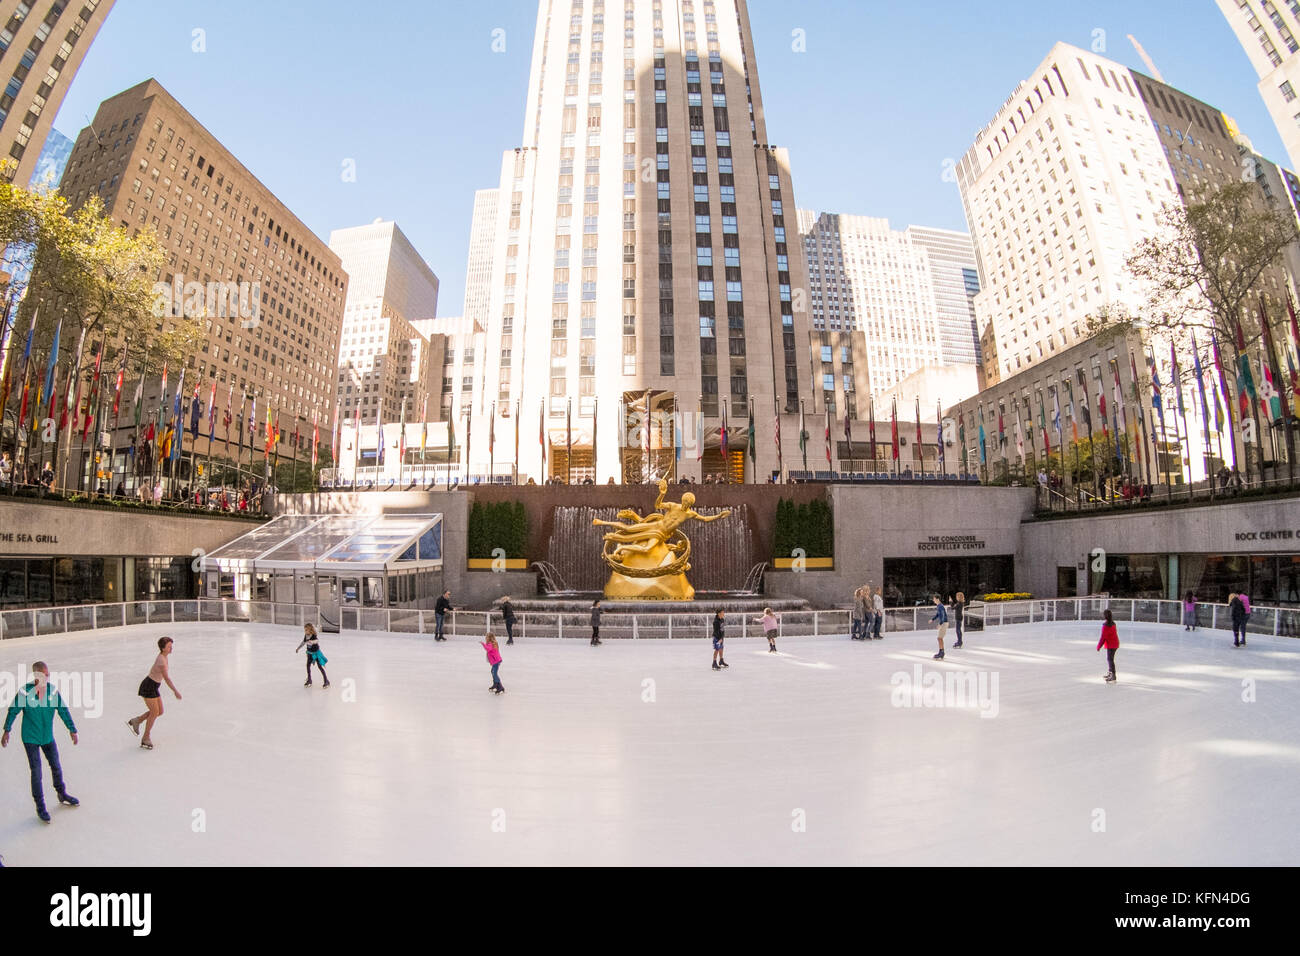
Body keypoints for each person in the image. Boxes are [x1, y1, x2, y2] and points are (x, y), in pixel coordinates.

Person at [2, 661, 79, 823]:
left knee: (56, 766)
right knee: (36, 772)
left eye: (48, 674)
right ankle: (40, 806)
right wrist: (7, 730)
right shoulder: (24, 692)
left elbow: (63, 710)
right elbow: (13, 711)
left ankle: (61, 793)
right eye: (44, 675)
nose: (47, 677)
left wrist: (72, 729)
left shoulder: (52, 691)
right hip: (30, 738)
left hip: (47, 737)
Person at [126, 636, 182, 749]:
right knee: (155, 712)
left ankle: (137, 720)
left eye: (171, 646)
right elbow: (166, 678)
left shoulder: (165, 657)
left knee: (159, 711)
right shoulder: (161, 660)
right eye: (169, 646)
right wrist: (175, 691)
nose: (171, 648)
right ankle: (146, 738)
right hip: (149, 686)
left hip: (154, 686)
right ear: (163, 648)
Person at [296, 623, 330, 688]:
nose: (305, 631)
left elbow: (317, 641)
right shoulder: (306, 635)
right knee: (308, 666)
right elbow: (303, 642)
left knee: (320, 667)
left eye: (306, 630)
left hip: (316, 654)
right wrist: (298, 648)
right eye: (305, 630)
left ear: (310, 630)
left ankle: (326, 680)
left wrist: (312, 641)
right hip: (309, 654)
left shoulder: (313, 635)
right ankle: (309, 680)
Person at [1097, 608, 1120, 682]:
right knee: (1110, 659)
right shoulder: (1113, 623)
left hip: (1111, 645)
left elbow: (1103, 638)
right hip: (1115, 643)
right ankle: (1111, 673)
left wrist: (1099, 646)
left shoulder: (1106, 625)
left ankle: (1113, 675)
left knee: (1110, 659)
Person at [930, 594, 949, 660]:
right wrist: (932, 619)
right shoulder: (939, 606)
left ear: (937, 599)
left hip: (944, 623)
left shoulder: (940, 606)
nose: (933, 600)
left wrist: (940, 624)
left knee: (939, 638)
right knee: (940, 638)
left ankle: (941, 652)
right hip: (943, 623)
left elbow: (943, 616)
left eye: (934, 599)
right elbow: (938, 614)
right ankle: (941, 652)